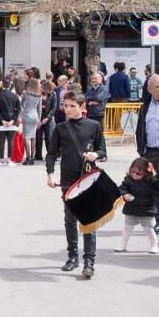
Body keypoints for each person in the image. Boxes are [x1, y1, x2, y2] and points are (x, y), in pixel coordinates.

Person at [46, 91, 107, 279]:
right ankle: (73, 256)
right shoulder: (60, 128)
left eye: (72, 106)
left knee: (88, 221)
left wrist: (95, 155)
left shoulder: (94, 126)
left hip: (88, 179)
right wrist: (50, 174)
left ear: (82, 107)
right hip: (68, 180)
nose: (68, 109)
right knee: (70, 220)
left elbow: (103, 151)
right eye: (66, 105)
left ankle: (89, 261)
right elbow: (51, 154)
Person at [135, 74, 159, 236]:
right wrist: (142, 151)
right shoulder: (145, 106)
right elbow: (140, 130)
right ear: (150, 90)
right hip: (151, 151)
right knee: (156, 189)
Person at [116, 158, 159, 254]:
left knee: (149, 229)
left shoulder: (151, 180)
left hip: (147, 210)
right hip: (131, 209)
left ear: (146, 172)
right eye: (132, 172)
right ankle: (123, 245)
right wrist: (125, 194)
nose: (135, 175)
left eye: (139, 173)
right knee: (127, 228)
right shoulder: (128, 180)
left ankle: (154, 245)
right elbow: (121, 188)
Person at [0, 79, 20, 164]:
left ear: (2, 85)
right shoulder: (14, 96)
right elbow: (18, 109)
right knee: (11, 141)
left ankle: (1, 159)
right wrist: (13, 120)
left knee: (1, 141)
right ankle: (9, 159)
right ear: (9, 86)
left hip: (1, 122)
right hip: (12, 121)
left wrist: (2, 120)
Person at [20, 78, 43, 166]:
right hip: (35, 116)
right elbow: (39, 108)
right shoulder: (39, 94)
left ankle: (28, 157)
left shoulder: (25, 93)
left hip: (27, 115)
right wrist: (39, 120)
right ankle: (32, 157)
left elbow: (21, 104)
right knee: (33, 137)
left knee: (26, 137)